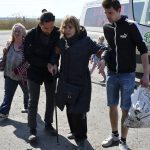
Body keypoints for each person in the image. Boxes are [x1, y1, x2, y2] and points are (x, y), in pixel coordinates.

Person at [48, 16, 107, 150]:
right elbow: (55, 55)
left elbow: (101, 50)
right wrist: (53, 64)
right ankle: (74, 131)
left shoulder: (85, 41)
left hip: (81, 83)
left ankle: (81, 139)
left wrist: (103, 59)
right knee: (69, 109)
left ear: (76, 27)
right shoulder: (62, 42)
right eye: (65, 27)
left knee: (79, 112)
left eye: (70, 27)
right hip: (65, 81)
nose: (67, 30)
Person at [99, 0, 149, 150]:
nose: (108, 16)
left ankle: (123, 141)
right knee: (112, 105)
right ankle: (114, 135)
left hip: (128, 75)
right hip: (112, 74)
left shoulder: (131, 26)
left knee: (125, 108)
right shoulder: (106, 27)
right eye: (106, 13)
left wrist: (146, 74)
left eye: (111, 13)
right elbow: (110, 48)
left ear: (119, 10)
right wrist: (102, 58)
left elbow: (143, 50)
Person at [24, 12, 60, 141]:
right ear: (40, 24)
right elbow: (28, 56)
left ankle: (48, 124)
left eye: (51, 27)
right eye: (46, 28)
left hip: (51, 71)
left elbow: (56, 51)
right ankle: (32, 130)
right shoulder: (31, 34)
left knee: (51, 98)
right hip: (34, 70)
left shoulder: (57, 33)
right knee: (33, 100)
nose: (49, 30)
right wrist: (46, 64)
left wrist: (53, 63)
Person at [0, 23, 29, 118]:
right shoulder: (9, 44)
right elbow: (5, 59)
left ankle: (27, 107)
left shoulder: (26, 46)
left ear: (23, 33)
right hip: (9, 74)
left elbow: (28, 62)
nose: (16, 33)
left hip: (23, 76)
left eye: (19, 31)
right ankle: (4, 112)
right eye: (15, 31)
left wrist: (17, 71)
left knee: (27, 92)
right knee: (8, 94)